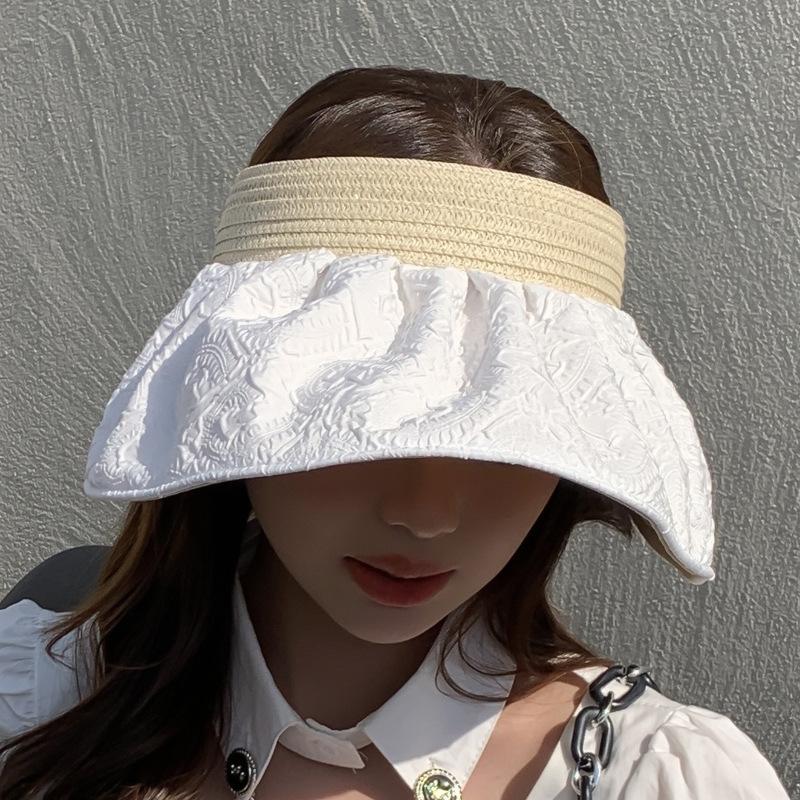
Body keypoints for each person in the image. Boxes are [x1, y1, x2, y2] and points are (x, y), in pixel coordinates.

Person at [0, 65, 790, 800]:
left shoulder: (662, 778)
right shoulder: (34, 704)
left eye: (503, 436)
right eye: (358, 416)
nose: (426, 513)